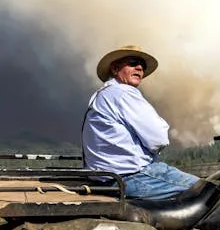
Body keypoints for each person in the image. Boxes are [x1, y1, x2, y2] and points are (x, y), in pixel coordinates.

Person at [82, 45, 199, 199]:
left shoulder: (101, 95)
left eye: (142, 66)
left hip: (105, 178)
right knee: (208, 191)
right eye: (132, 63)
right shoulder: (122, 93)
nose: (139, 68)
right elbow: (158, 137)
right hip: (130, 177)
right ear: (115, 69)